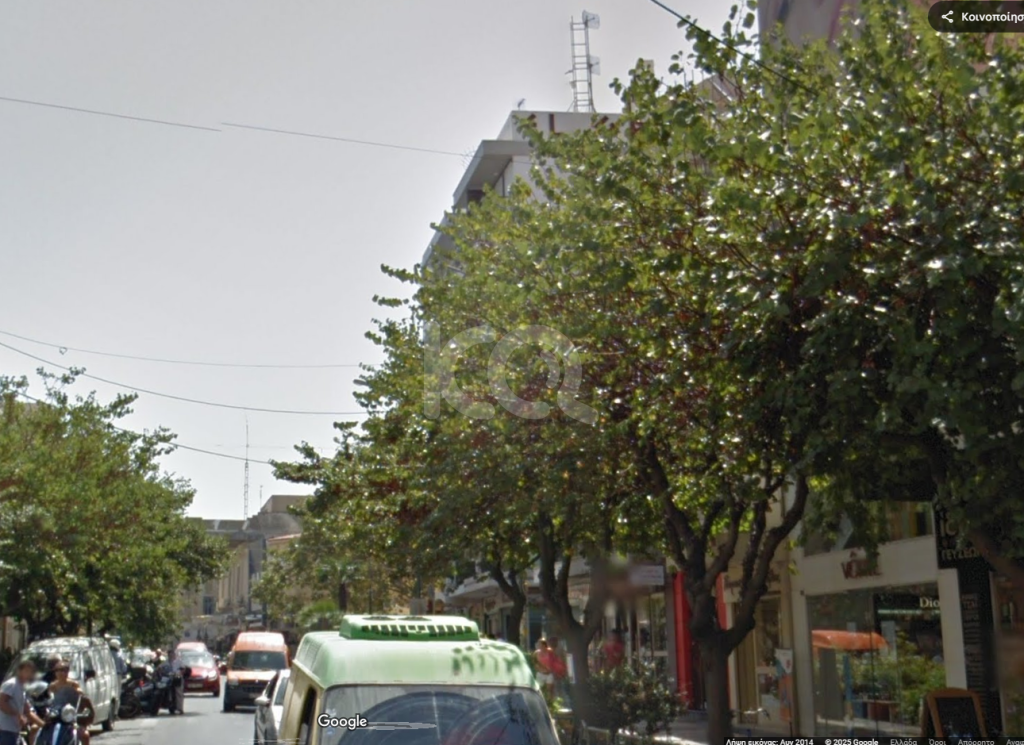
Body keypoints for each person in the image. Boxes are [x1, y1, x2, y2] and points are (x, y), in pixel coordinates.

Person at [48, 659, 91, 745]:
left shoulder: (73, 684)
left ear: (67, 672)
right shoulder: (53, 686)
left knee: (84, 735)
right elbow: (49, 699)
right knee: (37, 729)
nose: (59, 673)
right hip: (56, 715)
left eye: (62, 670)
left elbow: (81, 695)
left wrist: (80, 693)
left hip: (70, 715)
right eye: (57, 670)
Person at [0, 660, 43, 745]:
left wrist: (43, 724)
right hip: (5, 729)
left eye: (31, 672)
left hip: (15, 730)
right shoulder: (12, 684)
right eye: (26, 671)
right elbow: (1, 702)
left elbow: (27, 711)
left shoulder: (21, 688)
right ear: (19, 671)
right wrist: (17, 715)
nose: (29, 674)